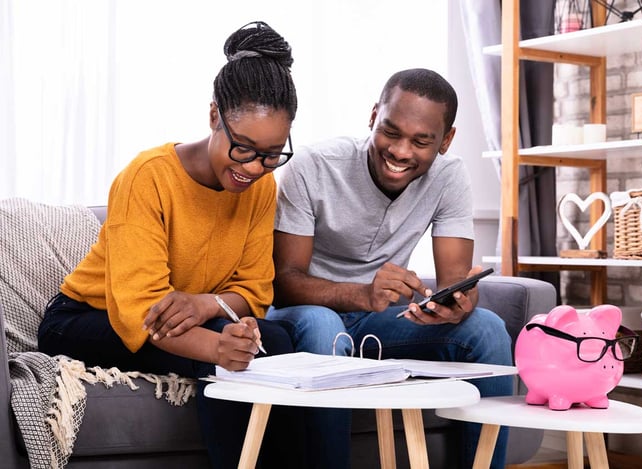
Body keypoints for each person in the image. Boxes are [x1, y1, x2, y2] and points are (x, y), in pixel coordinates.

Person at [37, 21, 305, 469]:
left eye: (273, 153)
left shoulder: (262, 187)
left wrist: (204, 305)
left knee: (279, 338)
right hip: (87, 319)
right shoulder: (148, 177)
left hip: (180, 314)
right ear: (215, 116)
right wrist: (219, 345)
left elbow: (256, 291)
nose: (256, 167)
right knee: (224, 351)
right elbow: (140, 311)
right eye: (243, 148)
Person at [267, 68, 513, 469]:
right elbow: (284, 283)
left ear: (446, 141)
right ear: (373, 116)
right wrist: (360, 293)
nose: (400, 151)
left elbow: (454, 282)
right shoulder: (314, 165)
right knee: (325, 328)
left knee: (486, 327)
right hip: (305, 314)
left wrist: (459, 301)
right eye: (391, 132)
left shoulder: (450, 178)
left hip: (377, 321)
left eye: (421, 141)